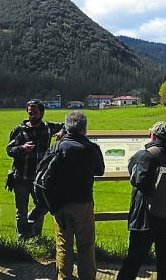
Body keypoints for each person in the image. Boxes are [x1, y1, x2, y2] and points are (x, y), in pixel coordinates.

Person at [117, 121, 166, 280]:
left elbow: (137, 180)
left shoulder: (146, 155)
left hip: (146, 217)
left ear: (153, 135)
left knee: (134, 259)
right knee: (165, 262)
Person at [52, 110, 104, 280]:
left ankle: (64, 277)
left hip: (60, 203)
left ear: (66, 128)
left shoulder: (58, 147)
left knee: (63, 244)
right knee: (86, 245)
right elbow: (100, 171)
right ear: (84, 128)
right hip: (83, 202)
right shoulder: (90, 148)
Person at [6, 99, 64, 240]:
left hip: (41, 177)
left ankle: (34, 234)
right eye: (30, 113)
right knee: (21, 210)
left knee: (43, 205)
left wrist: (62, 131)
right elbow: (9, 150)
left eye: (35, 113)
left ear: (42, 113)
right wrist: (22, 148)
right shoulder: (18, 130)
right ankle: (23, 238)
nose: (32, 116)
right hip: (22, 176)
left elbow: (67, 124)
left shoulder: (48, 127)